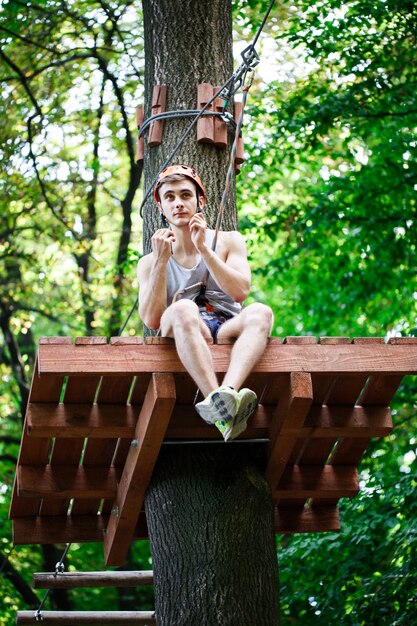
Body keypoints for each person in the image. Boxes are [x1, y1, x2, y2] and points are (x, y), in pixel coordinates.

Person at [137, 164, 273, 441]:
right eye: (170, 197)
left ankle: (227, 395)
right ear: (161, 208)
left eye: (185, 195)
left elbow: (240, 292)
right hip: (184, 326)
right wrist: (162, 261)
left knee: (261, 311)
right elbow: (151, 319)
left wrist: (204, 250)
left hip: (225, 325)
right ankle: (216, 397)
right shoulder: (149, 261)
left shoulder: (229, 241)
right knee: (185, 308)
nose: (178, 203)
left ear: (200, 201)